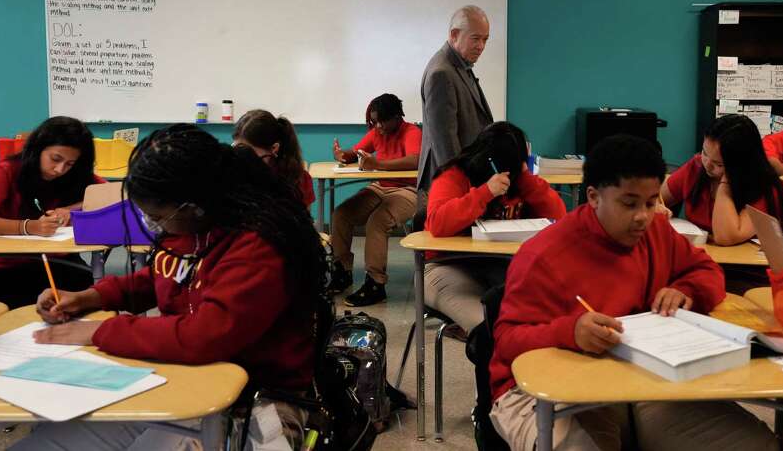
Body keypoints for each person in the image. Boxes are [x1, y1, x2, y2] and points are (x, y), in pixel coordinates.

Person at [19, 124, 324, 450]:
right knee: (50, 441)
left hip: (257, 395)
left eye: (157, 216)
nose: (153, 225)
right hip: (188, 377)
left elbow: (204, 337)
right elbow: (160, 277)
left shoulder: (259, 243)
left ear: (193, 206)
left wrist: (99, 332)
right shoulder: (190, 227)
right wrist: (90, 297)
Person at [489, 134, 779, 451]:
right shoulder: (542, 256)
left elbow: (708, 272)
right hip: (539, 389)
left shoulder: (656, 230)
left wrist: (686, 290)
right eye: (629, 204)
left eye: (652, 202)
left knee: (755, 444)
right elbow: (507, 340)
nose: (643, 215)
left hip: (640, 377)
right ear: (593, 197)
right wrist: (570, 331)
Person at [425, 121, 565, 333]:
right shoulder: (454, 175)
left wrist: (526, 178)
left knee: (546, 316)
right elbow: (437, 223)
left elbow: (558, 217)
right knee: (490, 330)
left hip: (500, 266)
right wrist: (485, 193)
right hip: (448, 267)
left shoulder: (519, 180)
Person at [0, 117, 102, 308]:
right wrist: (29, 226)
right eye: (55, 159)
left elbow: (117, 195)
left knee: (83, 299)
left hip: (62, 260)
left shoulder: (75, 174)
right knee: (30, 310)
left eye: (69, 163)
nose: (60, 170)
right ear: (38, 149)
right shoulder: (7, 170)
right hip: (13, 265)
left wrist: (70, 209)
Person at [328, 93, 421, 305]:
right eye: (374, 122)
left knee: (377, 222)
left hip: (408, 190)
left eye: (381, 122)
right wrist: (342, 155)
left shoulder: (412, 132)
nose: (377, 127)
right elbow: (357, 152)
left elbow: (416, 160)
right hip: (380, 187)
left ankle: (375, 284)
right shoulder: (377, 132)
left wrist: (378, 164)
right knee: (342, 214)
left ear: (397, 117)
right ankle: (342, 271)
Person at [662, 114, 783, 245]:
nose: (707, 164)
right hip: (702, 255)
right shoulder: (697, 166)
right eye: (704, 152)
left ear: (742, 165)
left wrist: (725, 184)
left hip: (743, 262)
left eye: (719, 164)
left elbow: (726, 237)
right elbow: (658, 197)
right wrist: (655, 206)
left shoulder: (763, 187)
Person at [417, 5, 494, 195]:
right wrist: (464, 192)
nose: (481, 46)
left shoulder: (459, 63)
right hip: (448, 187)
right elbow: (446, 144)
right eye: (475, 39)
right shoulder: (441, 73)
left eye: (485, 39)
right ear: (454, 34)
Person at [233, 109, 315, 208]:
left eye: (250, 153)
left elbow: (303, 220)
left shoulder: (298, 179)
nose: (243, 158)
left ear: (274, 148)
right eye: (237, 148)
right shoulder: (233, 174)